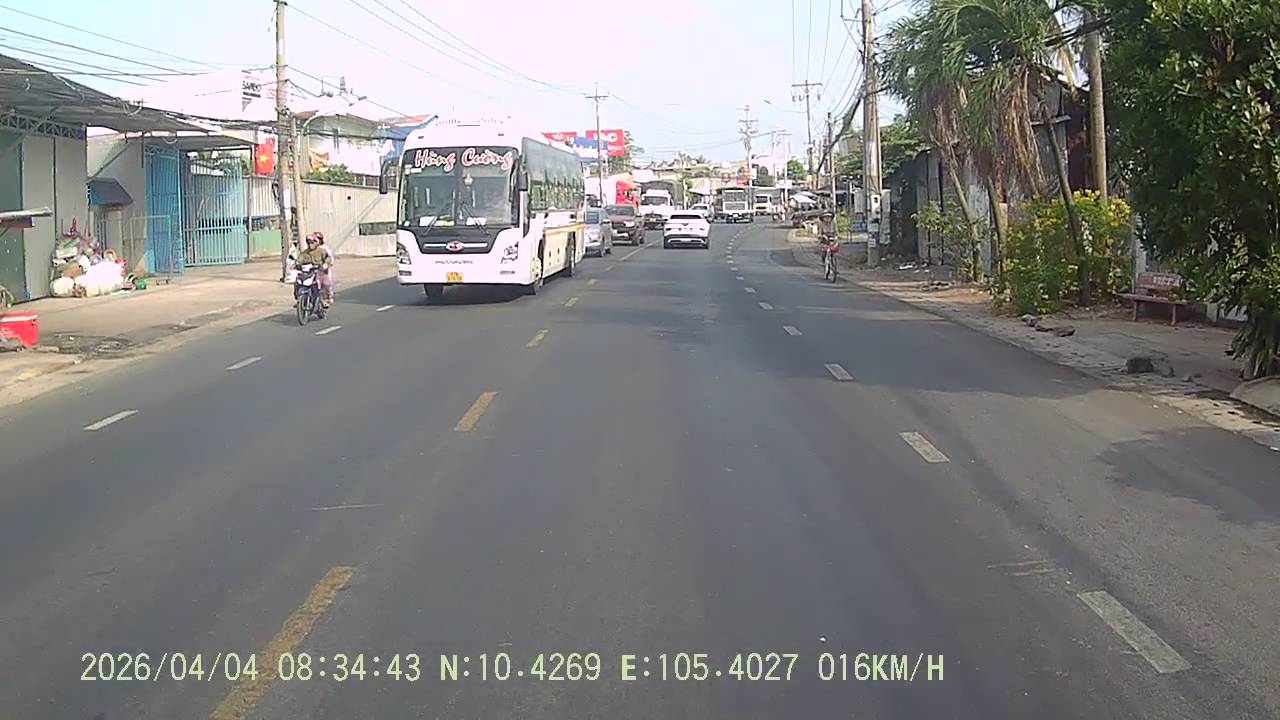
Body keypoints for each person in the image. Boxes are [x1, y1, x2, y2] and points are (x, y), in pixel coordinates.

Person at [296, 232, 334, 307]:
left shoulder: (322, 251)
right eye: (309, 243)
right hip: (308, 273)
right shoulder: (304, 253)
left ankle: (325, 299)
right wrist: (296, 264)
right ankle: (299, 299)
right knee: (298, 282)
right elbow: (299, 260)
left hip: (320, 272)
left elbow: (328, 258)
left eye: (312, 242)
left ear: (316, 242)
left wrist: (325, 264)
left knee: (326, 283)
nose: (310, 244)